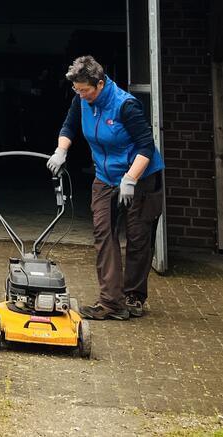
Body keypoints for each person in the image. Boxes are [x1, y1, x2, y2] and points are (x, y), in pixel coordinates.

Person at [47, 55, 164, 320]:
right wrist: (60, 151)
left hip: (141, 176)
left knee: (137, 236)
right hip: (105, 176)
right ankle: (111, 302)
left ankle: (133, 297)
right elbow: (69, 126)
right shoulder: (81, 100)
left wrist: (131, 179)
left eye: (85, 90)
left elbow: (146, 146)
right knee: (103, 232)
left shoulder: (125, 106)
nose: (81, 95)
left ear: (100, 84)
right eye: (77, 90)